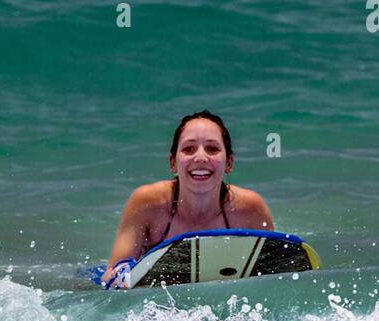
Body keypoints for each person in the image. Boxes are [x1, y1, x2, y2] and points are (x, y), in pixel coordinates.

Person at [100, 110, 275, 288]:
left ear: (229, 163)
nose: (200, 158)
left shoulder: (250, 209)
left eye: (212, 149)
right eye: (188, 149)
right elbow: (112, 273)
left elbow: (272, 276)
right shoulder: (148, 202)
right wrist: (122, 277)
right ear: (173, 163)